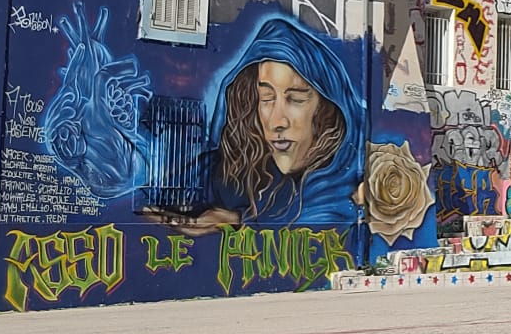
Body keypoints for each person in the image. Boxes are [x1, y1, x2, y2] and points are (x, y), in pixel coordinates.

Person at [151, 16, 365, 233]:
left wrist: (236, 220)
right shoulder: (217, 174)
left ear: (327, 111)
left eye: (296, 99)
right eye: (266, 98)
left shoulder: (347, 191)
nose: (277, 122)